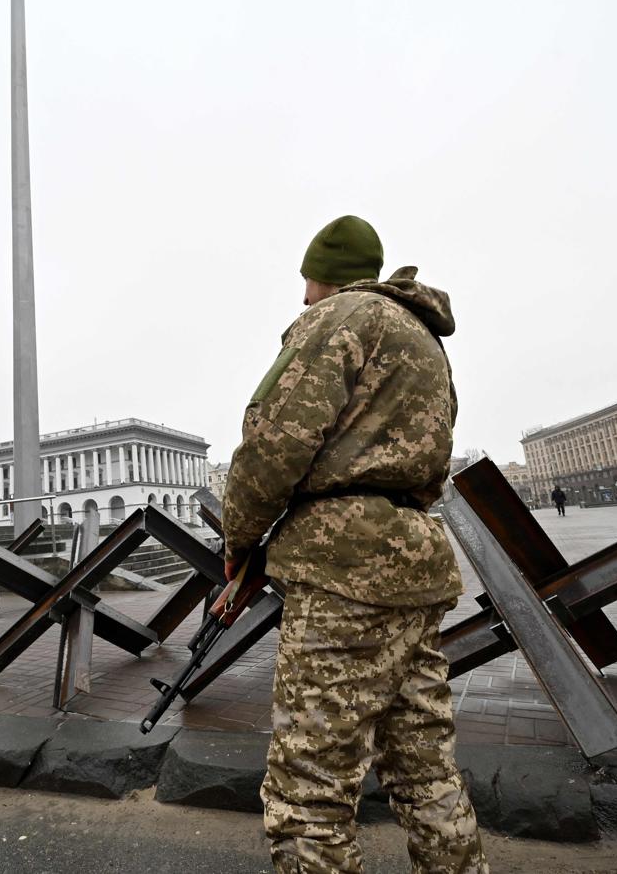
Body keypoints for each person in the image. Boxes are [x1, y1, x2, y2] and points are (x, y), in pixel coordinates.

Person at [221, 215, 486, 873]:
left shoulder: (336, 317)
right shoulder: (423, 339)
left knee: (309, 787)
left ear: (321, 275)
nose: (303, 297)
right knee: (424, 769)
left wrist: (239, 542)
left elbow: (274, 440)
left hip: (344, 568)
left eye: (306, 283)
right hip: (414, 563)